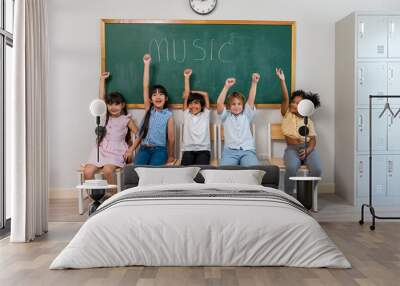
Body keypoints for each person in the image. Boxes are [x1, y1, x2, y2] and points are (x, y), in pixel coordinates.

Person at [84, 72, 138, 183]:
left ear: (122, 105)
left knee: (108, 170)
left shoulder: (126, 119)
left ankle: (113, 197)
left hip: (117, 151)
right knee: (88, 172)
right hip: (101, 149)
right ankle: (94, 198)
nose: (113, 107)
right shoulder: (104, 115)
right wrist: (102, 80)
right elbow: (100, 99)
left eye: (117, 104)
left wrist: (131, 150)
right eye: (110, 104)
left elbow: (139, 134)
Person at [276, 68, 322, 195]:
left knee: (317, 169)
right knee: (291, 168)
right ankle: (289, 195)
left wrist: (308, 150)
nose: (293, 104)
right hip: (292, 149)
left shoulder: (309, 120)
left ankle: (308, 195)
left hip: (308, 149)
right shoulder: (287, 114)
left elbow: (313, 139)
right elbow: (285, 97)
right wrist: (282, 81)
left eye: (298, 103)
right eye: (293, 102)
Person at [133, 54, 176, 165]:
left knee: (153, 173)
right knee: (137, 171)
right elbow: (145, 86)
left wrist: (171, 155)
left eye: (161, 94)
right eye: (154, 95)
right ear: (150, 99)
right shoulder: (149, 109)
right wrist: (146, 65)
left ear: (166, 99)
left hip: (159, 151)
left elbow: (171, 138)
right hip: (143, 149)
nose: (158, 97)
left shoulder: (168, 115)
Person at [216, 74, 260, 166]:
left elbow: (251, 99)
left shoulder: (246, 114)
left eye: (239, 104)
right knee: (224, 173)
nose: (236, 106)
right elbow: (219, 103)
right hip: (230, 152)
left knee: (253, 171)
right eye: (233, 104)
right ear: (229, 106)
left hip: (247, 151)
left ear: (243, 105)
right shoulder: (225, 116)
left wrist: (254, 83)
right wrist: (226, 87)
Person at [180, 68, 211, 165]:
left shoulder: (205, 114)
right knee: (185, 171)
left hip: (203, 150)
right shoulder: (187, 114)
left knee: (200, 171)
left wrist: (193, 92)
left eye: (196, 103)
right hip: (188, 150)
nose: (193, 106)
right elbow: (186, 95)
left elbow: (205, 95)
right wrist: (186, 78)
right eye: (191, 103)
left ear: (201, 105)